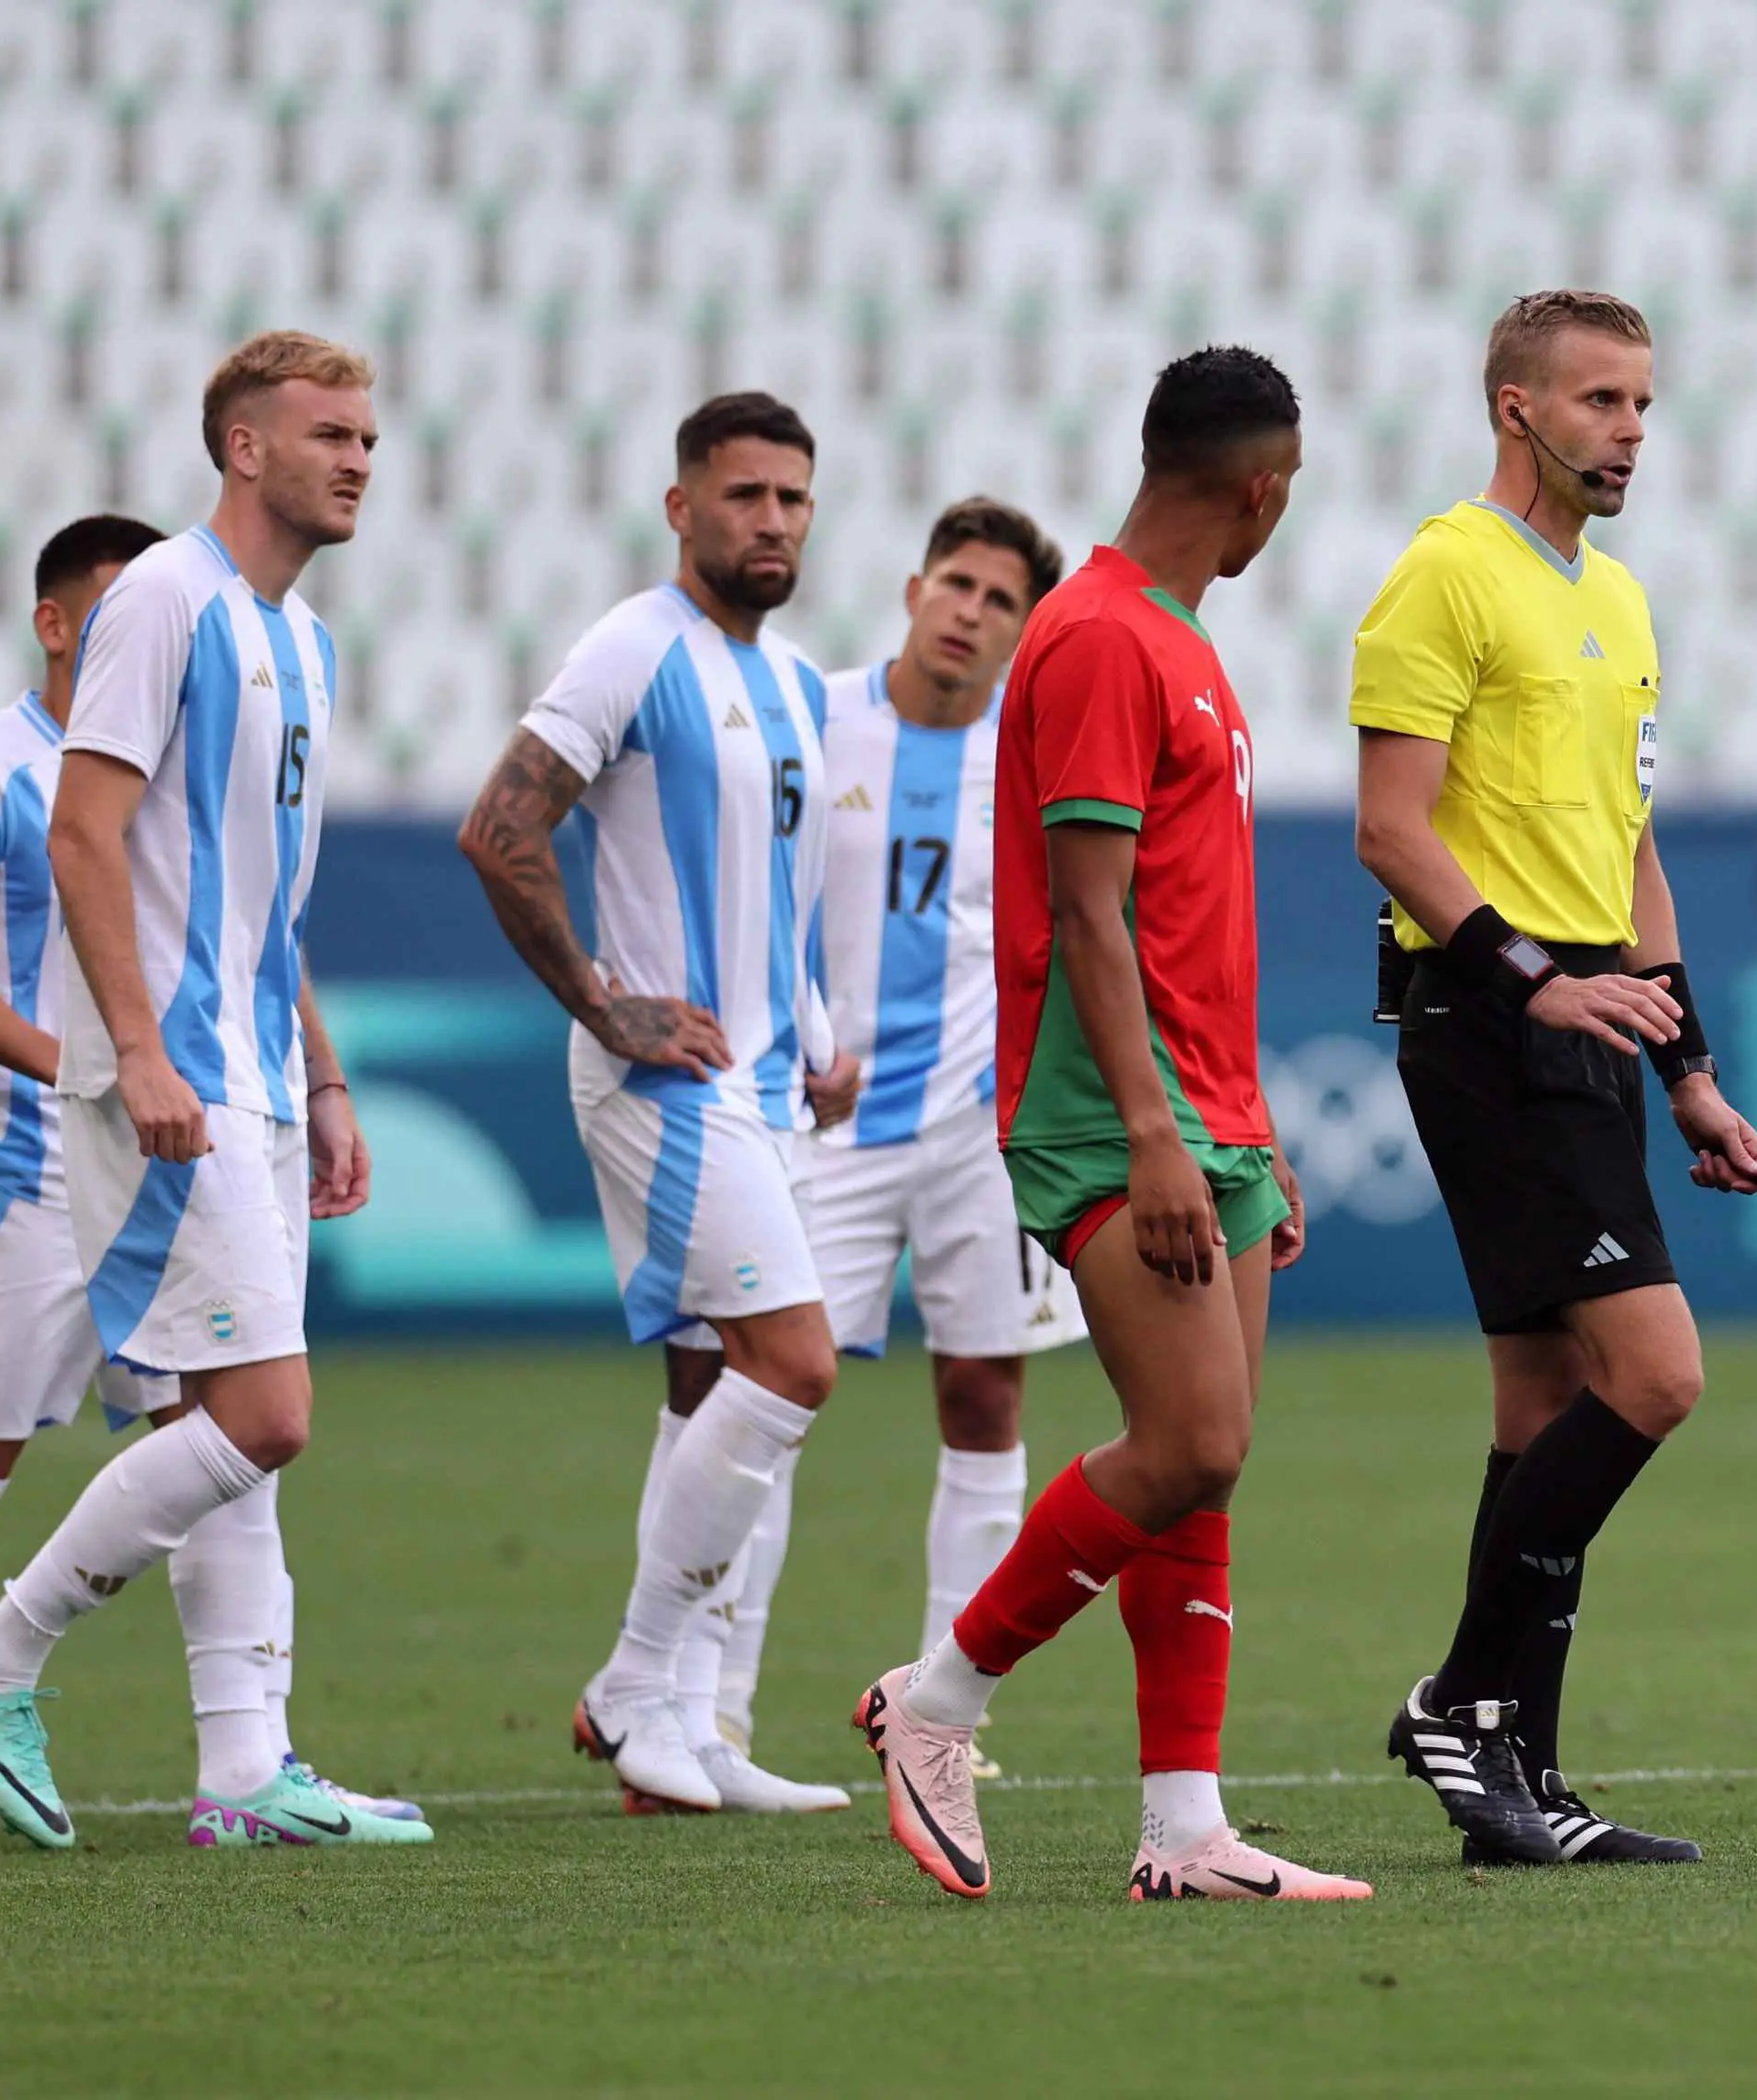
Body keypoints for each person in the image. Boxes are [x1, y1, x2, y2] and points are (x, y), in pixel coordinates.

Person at [855, 345, 1369, 1903]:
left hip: (1208, 1111)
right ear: (1261, 489)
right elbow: (1087, 913)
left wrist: (1248, 1130)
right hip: (1107, 1112)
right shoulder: (1092, 638)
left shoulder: (1179, 641)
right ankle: (936, 1702)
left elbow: (1192, 916)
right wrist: (1152, 1129)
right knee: (1189, 1435)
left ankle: (1183, 1823)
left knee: (1207, 1464)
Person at [0, 335, 423, 1850]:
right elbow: (85, 832)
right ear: (244, 446)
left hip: (255, 1084)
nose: (357, 460)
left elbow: (260, 899)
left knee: (228, 1405)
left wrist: (322, 1076)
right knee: (266, 1414)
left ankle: (243, 1767)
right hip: (170, 1081)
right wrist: (134, 1048)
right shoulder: (165, 599)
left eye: (370, 438)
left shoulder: (302, 642)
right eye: (328, 432)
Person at [1353, 289, 1757, 1866]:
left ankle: (1515, 1786)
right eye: (1601, 402)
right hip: (1493, 1021)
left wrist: (1690, 1069)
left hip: (1596, 1024)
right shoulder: (1441, 575)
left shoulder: (1622, 602)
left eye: (1646, 404)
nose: (1632, 432)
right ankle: (1462, 1696)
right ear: (1516, 408)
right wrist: (1540, 985)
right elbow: (1393, 828)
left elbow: (1632, 851)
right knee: (1654, 1376)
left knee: (1541, 1403)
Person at [457, 392, 858, 1817]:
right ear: (682, 507)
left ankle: (683, 1737)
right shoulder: (633, 648)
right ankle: (635, 1681)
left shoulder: (799, 686)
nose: (772, 521)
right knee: (793, 1362)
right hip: (663, 1077)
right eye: (744, 496)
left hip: (760, 1082)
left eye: (793, 499)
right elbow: (500, 832)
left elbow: (785, 895)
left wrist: (816, 1031)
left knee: (712, 1386)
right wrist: (599, 999)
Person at [740, 497, 1085, 1779]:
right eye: (957, 584)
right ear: (911, 587)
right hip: (821, 1119)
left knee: (986, 1391)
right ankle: (709, 1709)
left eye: (1001, 601)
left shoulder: (1033, 757)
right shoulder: (812, 719)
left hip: (979, 1133)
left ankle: (948, 1713)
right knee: (766, 1395)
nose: (970, 613)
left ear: (1022, 630)